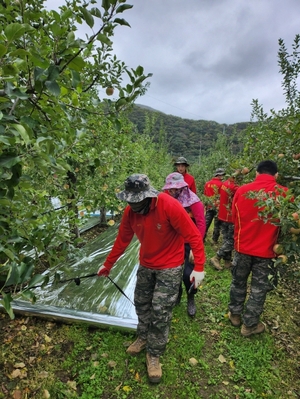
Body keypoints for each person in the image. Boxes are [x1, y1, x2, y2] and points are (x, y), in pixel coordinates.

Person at [97, 174, 205, 383]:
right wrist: (108, 264)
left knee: (161, 309)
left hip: (170, 266)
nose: (133, 205)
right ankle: (143, 337)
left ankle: (154, 354)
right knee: (142, 303)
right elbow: (122, 239)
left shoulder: (169, 206)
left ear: (148, 196)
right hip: (147, 263)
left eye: (137, 201)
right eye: (130, 201)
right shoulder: (131, 212)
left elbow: (193, 235)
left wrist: (198, 267)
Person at [228, 160, 288, 337]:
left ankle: (235, 315)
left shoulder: (242, 190)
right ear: (275, 175)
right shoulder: (283, 194)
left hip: (242, 248)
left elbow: (234, 217)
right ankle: (249, 325)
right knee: (258, 289)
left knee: (238, 282)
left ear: (256, 173)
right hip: (268, 251)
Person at [162, 172, 205, 317]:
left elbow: (200, 223)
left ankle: (191, 296)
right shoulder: (167, 199)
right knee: (173, 272)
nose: (173, 191)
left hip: (188, 242)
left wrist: (195, 246)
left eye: (176, 188)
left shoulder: (193, 201)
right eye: (171, 189)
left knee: (188, 273)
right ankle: (178, 294)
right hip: (173, 242)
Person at [210, 173, 241, 270]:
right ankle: (217, 257)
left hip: (223, 215)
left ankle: (227, 262)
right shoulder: (235, 188)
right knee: (231, 240)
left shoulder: (225, 183)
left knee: (226, 238)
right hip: (230, 217)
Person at [203, 168, 226, 244]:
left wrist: (206, 205)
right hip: (217, 207)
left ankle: (202, 238)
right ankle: (214, 240)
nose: (223, 176)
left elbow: (205, 195)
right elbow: (222, 196)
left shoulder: (207, 184)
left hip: (209, 206)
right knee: (217, 224)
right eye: (222, 175)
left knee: (206, 223)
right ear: (219, 175)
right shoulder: (222, 184)